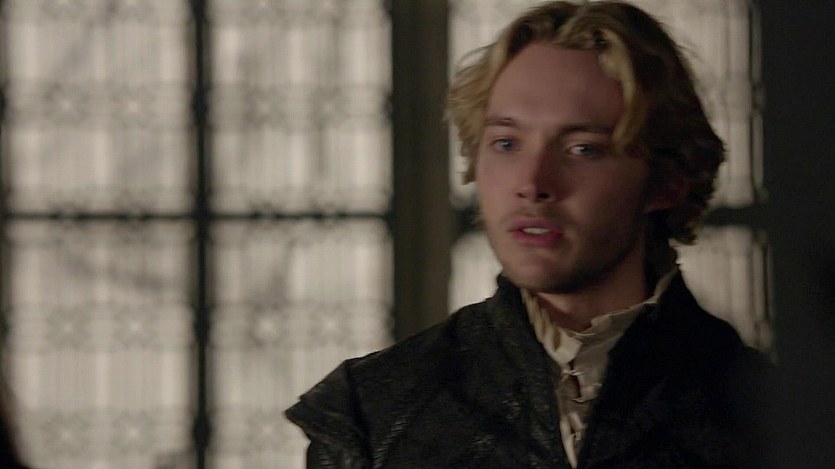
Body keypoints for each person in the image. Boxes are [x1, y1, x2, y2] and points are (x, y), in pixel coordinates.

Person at [286, 1, 780, 467]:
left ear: (667, 181)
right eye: (506, 143)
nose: (533, 183)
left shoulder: (775, 415)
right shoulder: (372, 412)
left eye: (583, 149)